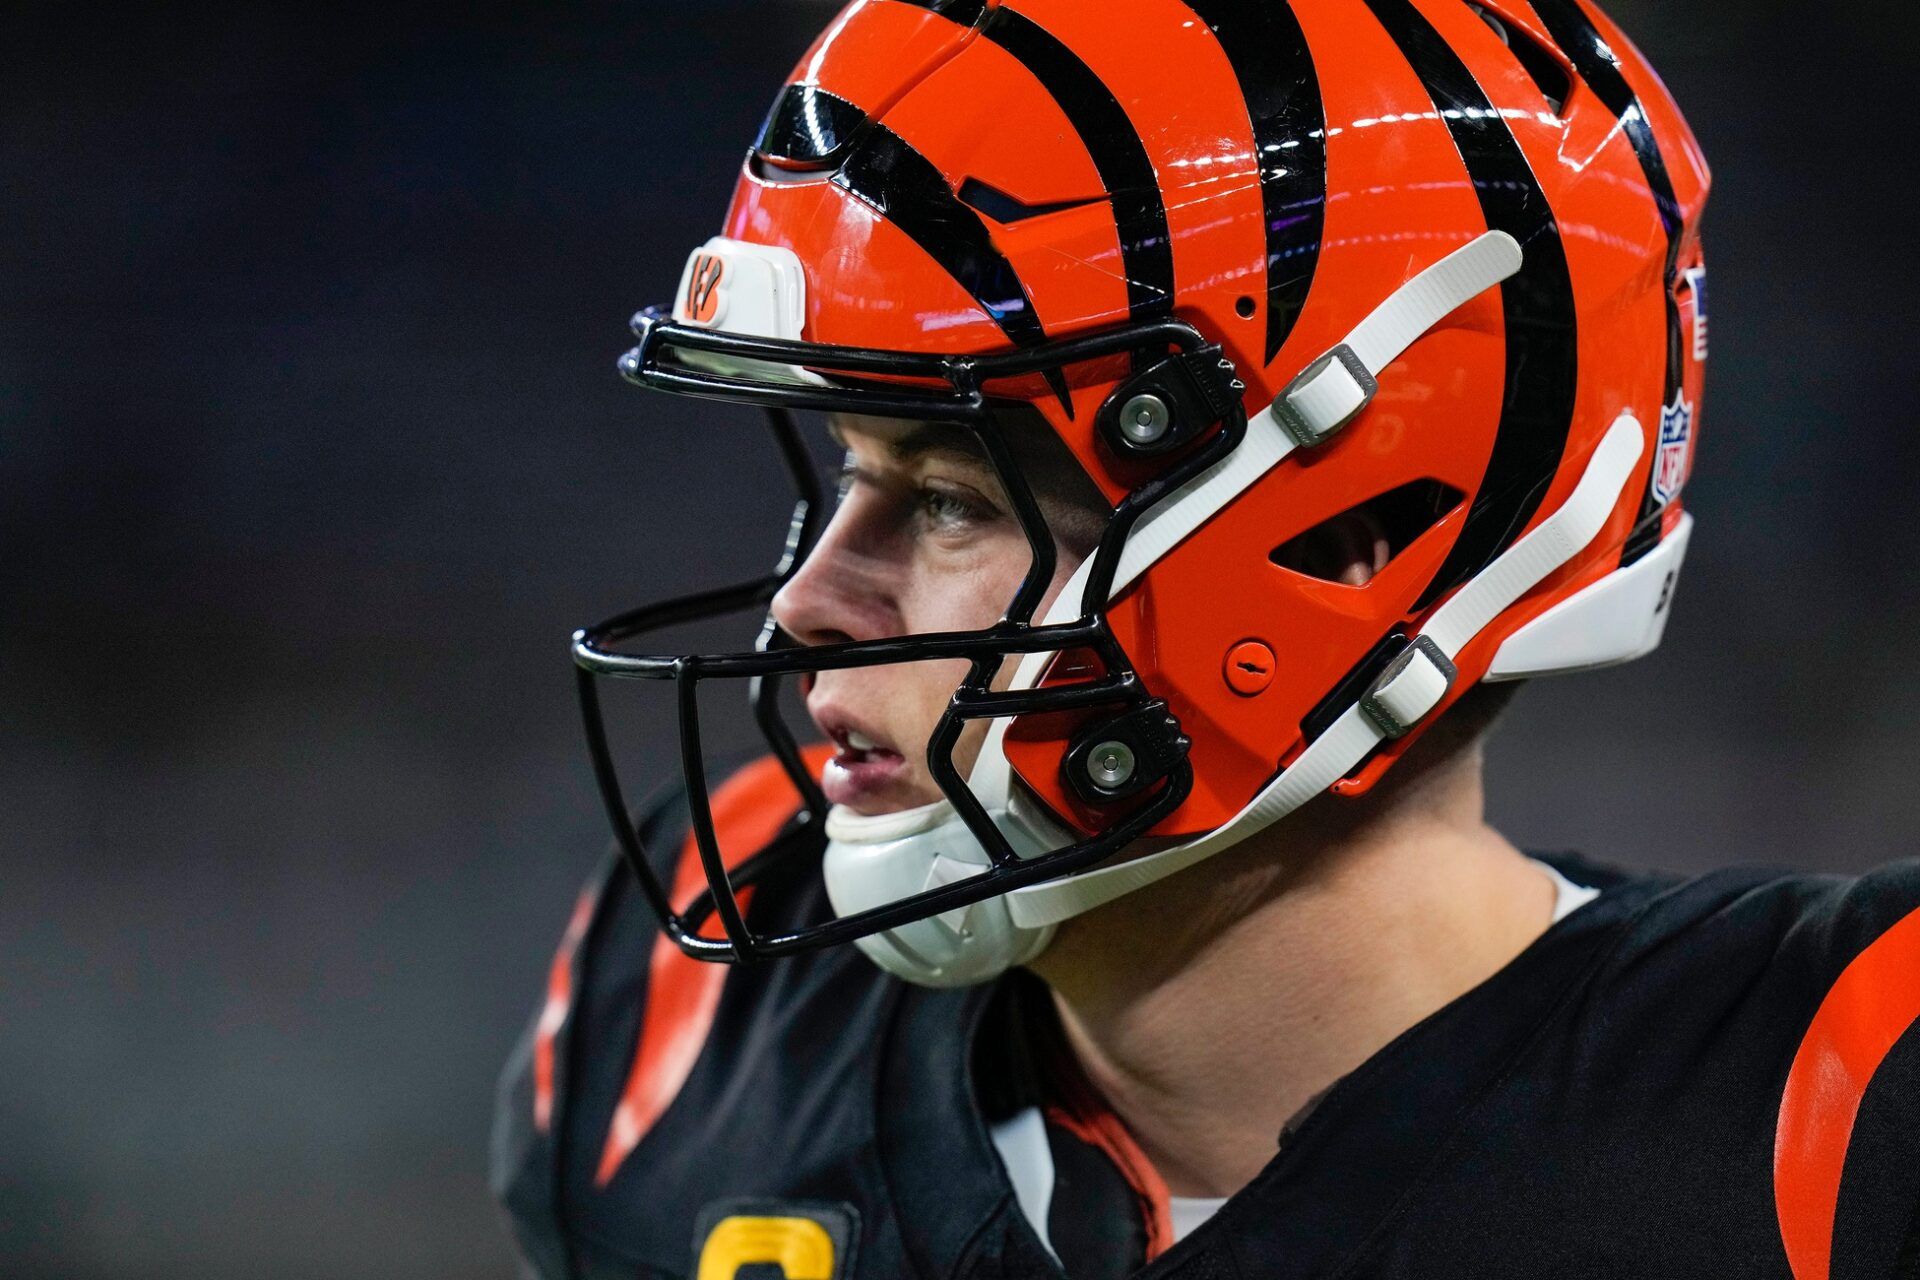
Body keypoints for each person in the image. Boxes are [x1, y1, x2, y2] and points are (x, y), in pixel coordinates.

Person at [493, 2, 1920, 1277]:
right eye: (850, 470)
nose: (803, 604)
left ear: (1357, 544)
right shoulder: (691, 1025)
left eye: (947, 499)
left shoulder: (1845, 1110)